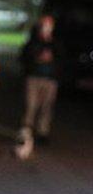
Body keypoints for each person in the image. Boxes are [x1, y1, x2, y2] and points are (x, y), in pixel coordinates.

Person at [20, 14, 60, 145]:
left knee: (46, 107)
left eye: (49, 25)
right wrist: (37, 56)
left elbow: (61, 57)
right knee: (31, 105)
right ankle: (26, 131)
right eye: (44, 25)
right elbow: (25, 56)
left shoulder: (55, 42)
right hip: (34, 77)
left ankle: (42, 133)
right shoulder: (33, 41)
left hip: (49, 79)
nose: (46, 27)